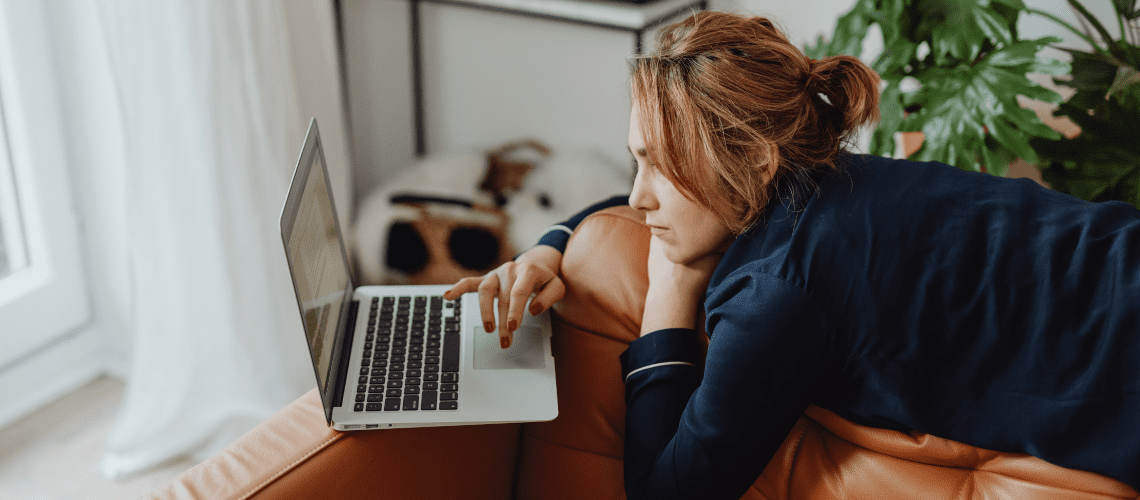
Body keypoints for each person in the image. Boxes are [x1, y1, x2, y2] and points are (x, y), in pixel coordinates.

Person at [445, 10, 1140, 499]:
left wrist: (670, 294)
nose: (639, 196)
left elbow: (667, 492)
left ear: (751, 157)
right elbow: (634, 202)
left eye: (662, 165)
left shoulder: (780, 292)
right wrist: (548, 248)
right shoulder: (815, 176)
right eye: (638, 161)